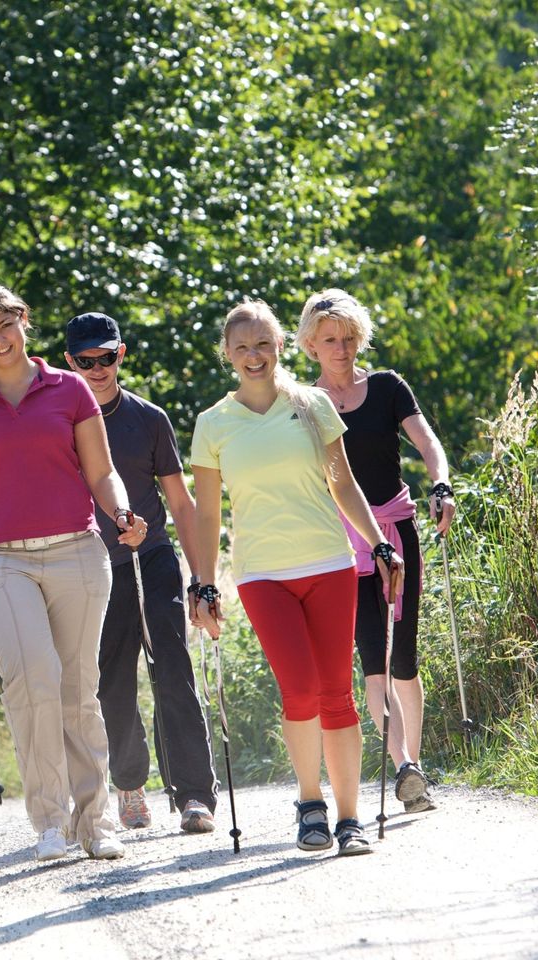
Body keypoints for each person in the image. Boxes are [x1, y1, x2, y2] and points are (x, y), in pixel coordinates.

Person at [0, 285, 149, 864]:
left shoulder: (71, 388)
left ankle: (95, 820)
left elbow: (101, 472)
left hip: (77, 549)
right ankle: (49, 821)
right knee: (33, 676)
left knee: (79, 688)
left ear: (25, 322)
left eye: (7, 325)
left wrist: (122, 512)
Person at [188, 298, 404, 856]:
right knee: (300, 687)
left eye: (263, 344)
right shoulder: (213, 424)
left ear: (281, 345)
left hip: (329, 564)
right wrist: (203, 581)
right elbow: (208, 514)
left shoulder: (312, 406)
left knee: (337, 692)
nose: (253, 356)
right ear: (228, 355)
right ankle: (311, 803)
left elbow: (344, 484)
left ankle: (349, 819)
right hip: (262, 574)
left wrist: (379, 542)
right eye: (242, 347)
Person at [296, 288, 455, 813]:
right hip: (343, 544)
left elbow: (427, 442)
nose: (341, 349)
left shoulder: (387, 388)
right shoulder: (302, 404)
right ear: (311, 345)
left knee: (403, 656)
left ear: (359, 339)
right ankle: (405, 767)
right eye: (329, 341)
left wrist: (441, 484)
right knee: (373, 660)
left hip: (397, 532)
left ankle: (414, 761)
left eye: (348, 339)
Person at [62, 311, 219, 834]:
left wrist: (201, 579)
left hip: (150, 558)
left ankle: (195, 795)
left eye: (105, 358)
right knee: (112, 681)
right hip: (91, 564)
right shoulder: (60, 423)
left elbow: (180, 500)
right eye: (85, 361)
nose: (97, 368)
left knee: (173, 666)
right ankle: (129, 785)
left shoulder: (149, 419)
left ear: (121, 354)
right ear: (69, 363)